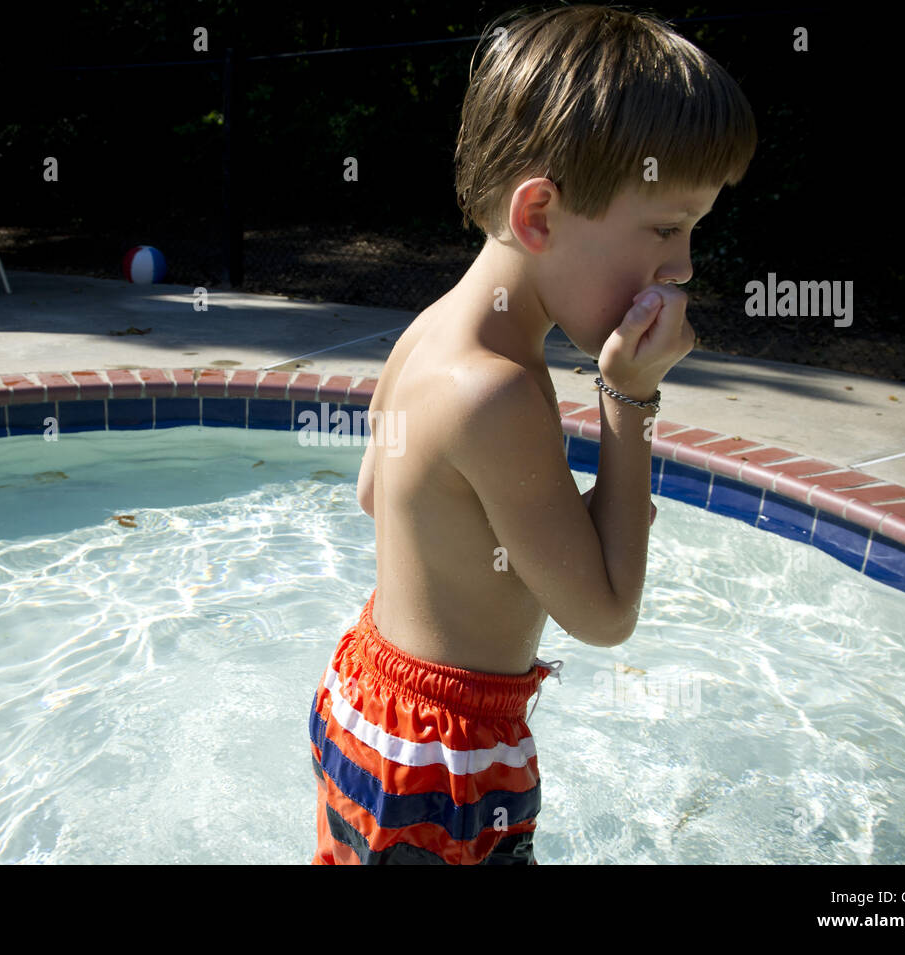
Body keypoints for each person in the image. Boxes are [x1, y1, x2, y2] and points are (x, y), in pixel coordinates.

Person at [309, 2, 757, 864]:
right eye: (667, 227)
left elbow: (375, 493)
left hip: (365, 702)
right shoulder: (500, 391)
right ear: (540, 216)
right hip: (447, 766)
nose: (685, 265)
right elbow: (604, 612)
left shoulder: (434, 334)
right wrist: (629, 400)